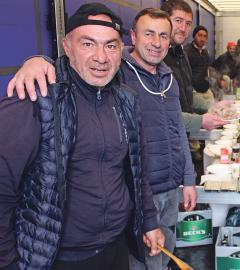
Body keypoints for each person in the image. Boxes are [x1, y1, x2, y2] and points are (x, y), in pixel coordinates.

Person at [6, 7, 198, 270]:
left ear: (120, 48)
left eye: (110, 46)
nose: (100, 57)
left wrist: (149, 222)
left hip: (115, 247)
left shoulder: (125, 99)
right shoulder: (37, 99)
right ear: (67, 46)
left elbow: (135, 169)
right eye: (88, 43)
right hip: (60, 258)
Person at [161, 0, 226, 133]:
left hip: (183, 132)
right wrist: (200, 121)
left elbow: (185, 95)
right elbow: (158, 114)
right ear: (164, 20)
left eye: (188, 23)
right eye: (178, 21)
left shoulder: (182, 55)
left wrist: (213, 105)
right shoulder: (156, 57)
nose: (183, 28)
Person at [184, 25, 210, 94]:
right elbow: (184, 75)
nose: (202, 39)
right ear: (194, 36)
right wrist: (192, 90)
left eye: (205, 36)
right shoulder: (186, 51)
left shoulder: (205, 52)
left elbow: (206, 72)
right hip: (193, 92)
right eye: (200, 35)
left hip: (204, 89)